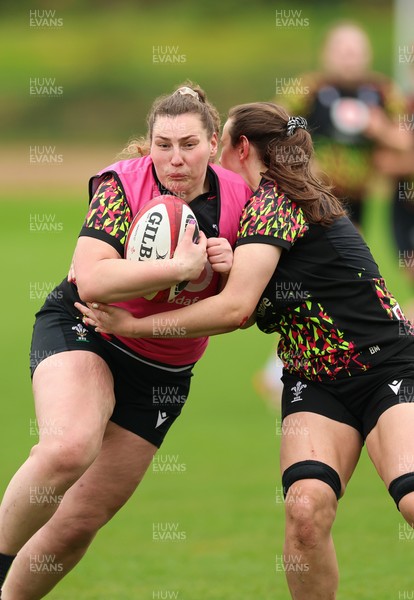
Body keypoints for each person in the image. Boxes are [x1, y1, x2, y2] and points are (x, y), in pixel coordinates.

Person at [80, 101, 414, 600]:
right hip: (315, 381)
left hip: (384, 367)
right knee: (305, 510)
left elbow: (235, 310)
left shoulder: (277, 201)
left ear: (240, 149)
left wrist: (134, 322)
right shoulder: (257, 213)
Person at [0, 83, 252, 599]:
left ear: (211, 143)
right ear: (149, 142)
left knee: (76, 525)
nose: (175, 159)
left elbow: (241, 313)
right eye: (163, 144)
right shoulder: (122, 184)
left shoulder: (240, 198)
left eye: (188, 144)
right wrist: (180, 266)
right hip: (86, 328)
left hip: (162, 371)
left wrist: (231, 269)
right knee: (67, 447)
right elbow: (92, 281)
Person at [278, 20, 411, 229]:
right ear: (325, 54)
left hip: (360, 196)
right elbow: (276, 127)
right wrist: (302, 161)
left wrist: (381, 129)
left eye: (355, 53)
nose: (350, 61)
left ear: (368, 55)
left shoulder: (383, 91)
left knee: (351, 251)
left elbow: (405, 141)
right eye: (343, 53)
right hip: (311, 192)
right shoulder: (307, 89)